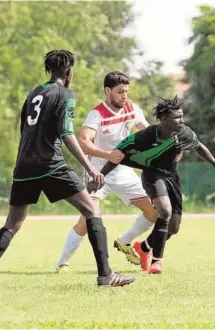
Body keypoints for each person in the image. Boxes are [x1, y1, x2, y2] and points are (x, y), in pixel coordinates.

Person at [0, 50, 134, 288]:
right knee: (91, 210)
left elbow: (24, 131)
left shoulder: (33, 93)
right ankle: (105, 275)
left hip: (24, 166)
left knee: (12, 223)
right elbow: (66, 133)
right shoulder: (65, 94)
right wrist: (89, 167)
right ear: (69, 71)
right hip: (50, 164)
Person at [89, 95, 215, 274]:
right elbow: (116, 155)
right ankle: (157, 262)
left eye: (182, 116)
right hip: (152, 176)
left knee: (173, 228)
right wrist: (99, 177)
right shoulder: (145, 136)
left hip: (172, 177)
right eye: (177, 117)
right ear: (164, 119)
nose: (182, 120)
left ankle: (143, 248)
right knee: (164, 211)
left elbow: (199, 147)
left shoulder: (183, 132)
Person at [56, 71, 157, 273]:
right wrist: (107, 154)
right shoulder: (97, 114)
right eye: (120, 92)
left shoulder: (132, 108)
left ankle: (125, 242)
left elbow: (149, 133)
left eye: (126, 91)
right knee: (88, 219)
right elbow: (83, 142)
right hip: (98, 173)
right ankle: (63, 263)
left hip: (123, 172)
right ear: (107, 91)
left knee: (155, 212)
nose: (124, 96)